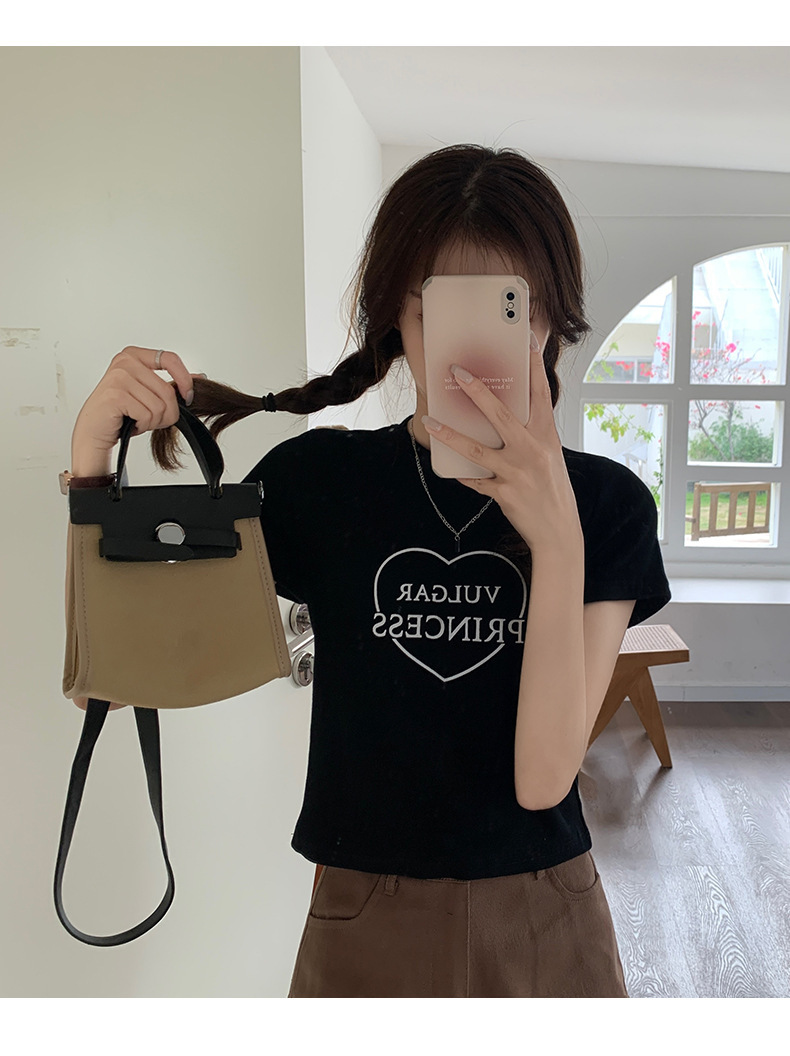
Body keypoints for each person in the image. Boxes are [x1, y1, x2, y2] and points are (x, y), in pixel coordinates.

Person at [67, 144, 671, 997]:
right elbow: (119, 674)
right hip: (364, 913)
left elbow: (544, 782)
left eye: (512, 309)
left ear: (550, 320)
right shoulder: (320, 481)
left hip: (546, 913)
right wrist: (93, 464)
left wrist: (557, 538)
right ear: (399, 317)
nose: (477, 352)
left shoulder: (607, 505)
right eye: (445, 311)